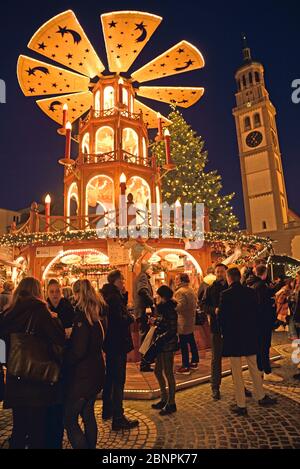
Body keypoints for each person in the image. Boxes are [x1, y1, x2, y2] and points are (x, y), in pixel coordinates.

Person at [0, 277, 65, 449]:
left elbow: (1, 344)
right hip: (38, 380)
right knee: (38, 430)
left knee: (19, 429)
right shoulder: (40, 310)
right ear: (38, 291)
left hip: (16, 379)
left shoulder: (8, 312)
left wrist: (8, 363)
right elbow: (58, 340)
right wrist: (56, 320)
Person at [218, 267, 277, 416]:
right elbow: (257, 314)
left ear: (229, 278)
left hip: (234, 338)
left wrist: (224, 334)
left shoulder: (225, 295)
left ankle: (241, 404)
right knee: (254, 367)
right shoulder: (251, 292)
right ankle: (260, 396)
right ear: (239, 277)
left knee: (236, 372)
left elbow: (222, 319)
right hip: (250, 336)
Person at [64, 280, 106, 449]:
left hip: (84, 376)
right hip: (96, 371)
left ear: (78, 294)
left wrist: (65, 358)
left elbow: (79, 350)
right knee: (88, 414)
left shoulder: (82, 316)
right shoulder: (97, 315)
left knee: (69, 419)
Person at [101, 270, 139, 431]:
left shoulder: (108, 296)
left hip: (110, 344)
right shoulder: (114, 298)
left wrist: (124, 296)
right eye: (122, 280)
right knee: (118, 380)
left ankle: (107, 410)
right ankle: (118, 417)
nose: (124, 282)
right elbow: (119, 320)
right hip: (117, 344)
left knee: (110, 378)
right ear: (116, 281)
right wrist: (131, 318)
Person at [46, 278, 76, 448]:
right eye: (52, 291)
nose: (55, 294)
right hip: (50, 360)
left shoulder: (67, 307)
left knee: (64, 392)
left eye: (57, 291)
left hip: (65, 357)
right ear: (47, 293)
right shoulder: (45, 309)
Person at [247, 264, 283, 382]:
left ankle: (260, 369)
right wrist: (271, 303)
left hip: (255, 322)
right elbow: (263, 305)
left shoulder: (251, 283)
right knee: (264, 346)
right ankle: (267, 371)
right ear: (265, 273)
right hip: (263, 322)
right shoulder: (261, 286)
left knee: (259, 347)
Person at [202, 263, 228, 400]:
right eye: (217, 272)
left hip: (231, 328)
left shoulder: (230, 287)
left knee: (236, 357)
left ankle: (240, 385)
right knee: (216, 358)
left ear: (226, 272)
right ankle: (215, 386)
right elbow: (204, 305)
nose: (219, 274)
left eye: (221, 272)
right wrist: (213, 310)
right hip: (216, 327)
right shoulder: (211, 288)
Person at [151, 285, 178, 415]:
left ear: (163, 297)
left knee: (168, 373)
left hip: (167, 346)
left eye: (158, 295)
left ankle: (171, 402)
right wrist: (156, 322)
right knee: (157, 371)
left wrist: (161, 337)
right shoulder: (161, 309)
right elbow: (163, 324)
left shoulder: (170, 310)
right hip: (161, 345)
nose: (156, 297)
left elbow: (172, 330)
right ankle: (164, 398)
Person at [174, 273, 199, 375]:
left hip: (183, 321)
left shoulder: (180, 292)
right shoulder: (191, 290)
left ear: (181, 280)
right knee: (191, 340)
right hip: (190, 319)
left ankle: (185, 365)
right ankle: (194, 360)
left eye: (177, 279)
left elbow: (179, 307)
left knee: (184, 343)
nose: (175, 281)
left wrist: (172, 304)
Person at [133, 263, 155, 372]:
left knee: (145, 337)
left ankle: (145, 361)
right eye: (150, 268)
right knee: (145, 338)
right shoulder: (143, 276)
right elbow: (142, 290)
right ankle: (144, 363)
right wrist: (152, 303)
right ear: (146, 269)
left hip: (140, 311)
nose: (152, 270)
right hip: (143, 312)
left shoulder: (140, 277)